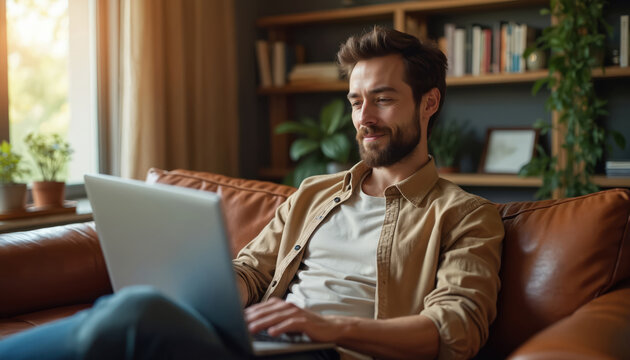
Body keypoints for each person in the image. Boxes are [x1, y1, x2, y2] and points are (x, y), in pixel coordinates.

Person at [0, 26, 503, 360]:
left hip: (335, 353)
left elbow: (454, 330)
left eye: (384, 99)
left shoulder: (464, 216)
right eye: (355, 102)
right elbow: (252, 269)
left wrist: (329, 329)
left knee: (133, 319)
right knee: (126, 309)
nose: (364, 118)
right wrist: (213, 292)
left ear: (428, 102)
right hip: (266, 343)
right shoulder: (314, 194)